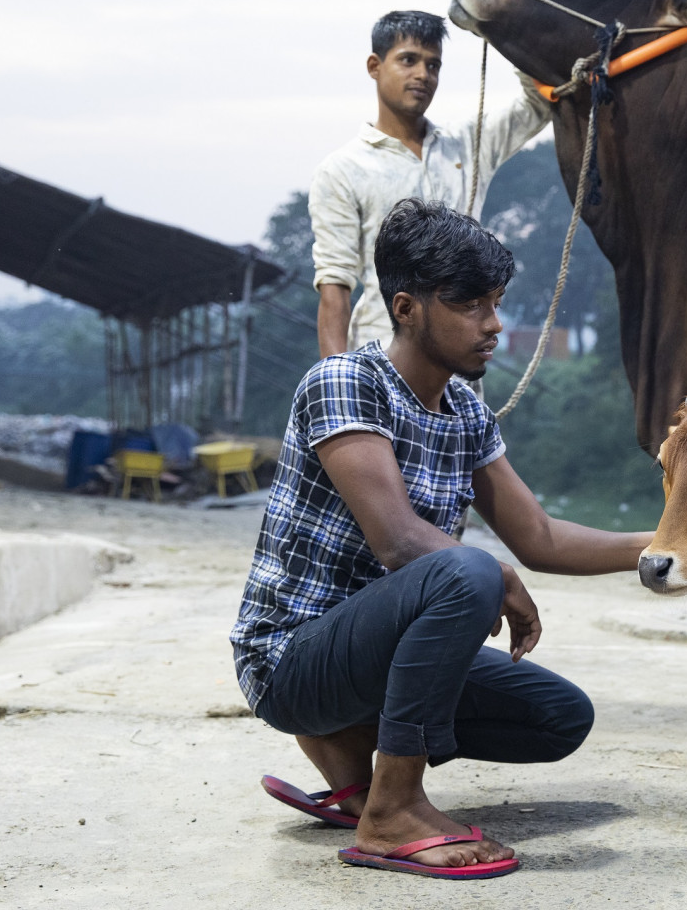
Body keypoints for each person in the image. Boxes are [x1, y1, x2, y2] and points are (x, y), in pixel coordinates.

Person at [230, 198, 650, 878]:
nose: (492, 324)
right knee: (470, 572)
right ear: (406, 308)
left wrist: (666, 546)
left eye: (496, 302)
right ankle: (390, 811)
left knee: (557, 717)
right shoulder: (345, 383)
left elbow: (539, 535)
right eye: (470, 305)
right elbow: (398, 541)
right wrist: (494, 574)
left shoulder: (463, 409)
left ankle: (351, 762)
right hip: (293, 660)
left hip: (375, 656)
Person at [312, 10, 549, 358]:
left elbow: (539, 101)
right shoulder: (343, 169)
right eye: (408, 60)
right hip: (382, 361)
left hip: (461, 362)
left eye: (433, 65)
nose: (423, 74)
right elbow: (335, 288)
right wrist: (335, 386)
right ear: (374, 66)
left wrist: (501, 21)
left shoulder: (468, 143)